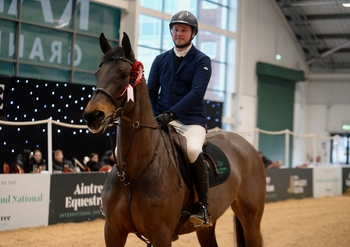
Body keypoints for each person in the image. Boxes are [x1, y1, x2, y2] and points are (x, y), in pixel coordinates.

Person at [147, 10, 212, 227]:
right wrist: (155, 117)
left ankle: (203, 205)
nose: (178, 33)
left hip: (191, 121)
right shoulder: (160, 59)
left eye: (183, 30)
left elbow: (196, 94)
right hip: (162, 119)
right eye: (175, 29)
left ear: (192, 33)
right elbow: (150, 91)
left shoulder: (202, 60)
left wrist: (171, 115)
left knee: (193, 150)